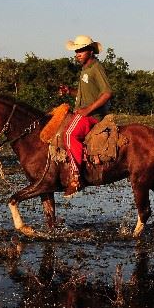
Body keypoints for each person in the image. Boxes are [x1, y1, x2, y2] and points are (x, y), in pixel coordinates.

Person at [55, 35, 114, 193]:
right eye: (76, 51)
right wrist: (69, 91)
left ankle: (76, 176)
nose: (77, 53)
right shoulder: (85, 70)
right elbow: (85, 95)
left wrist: (87, 110)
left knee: (68, 135)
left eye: (81, 50)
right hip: (83, 112)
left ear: (90, 51)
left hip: (92, 116)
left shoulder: (96, 68)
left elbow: (107, 92)